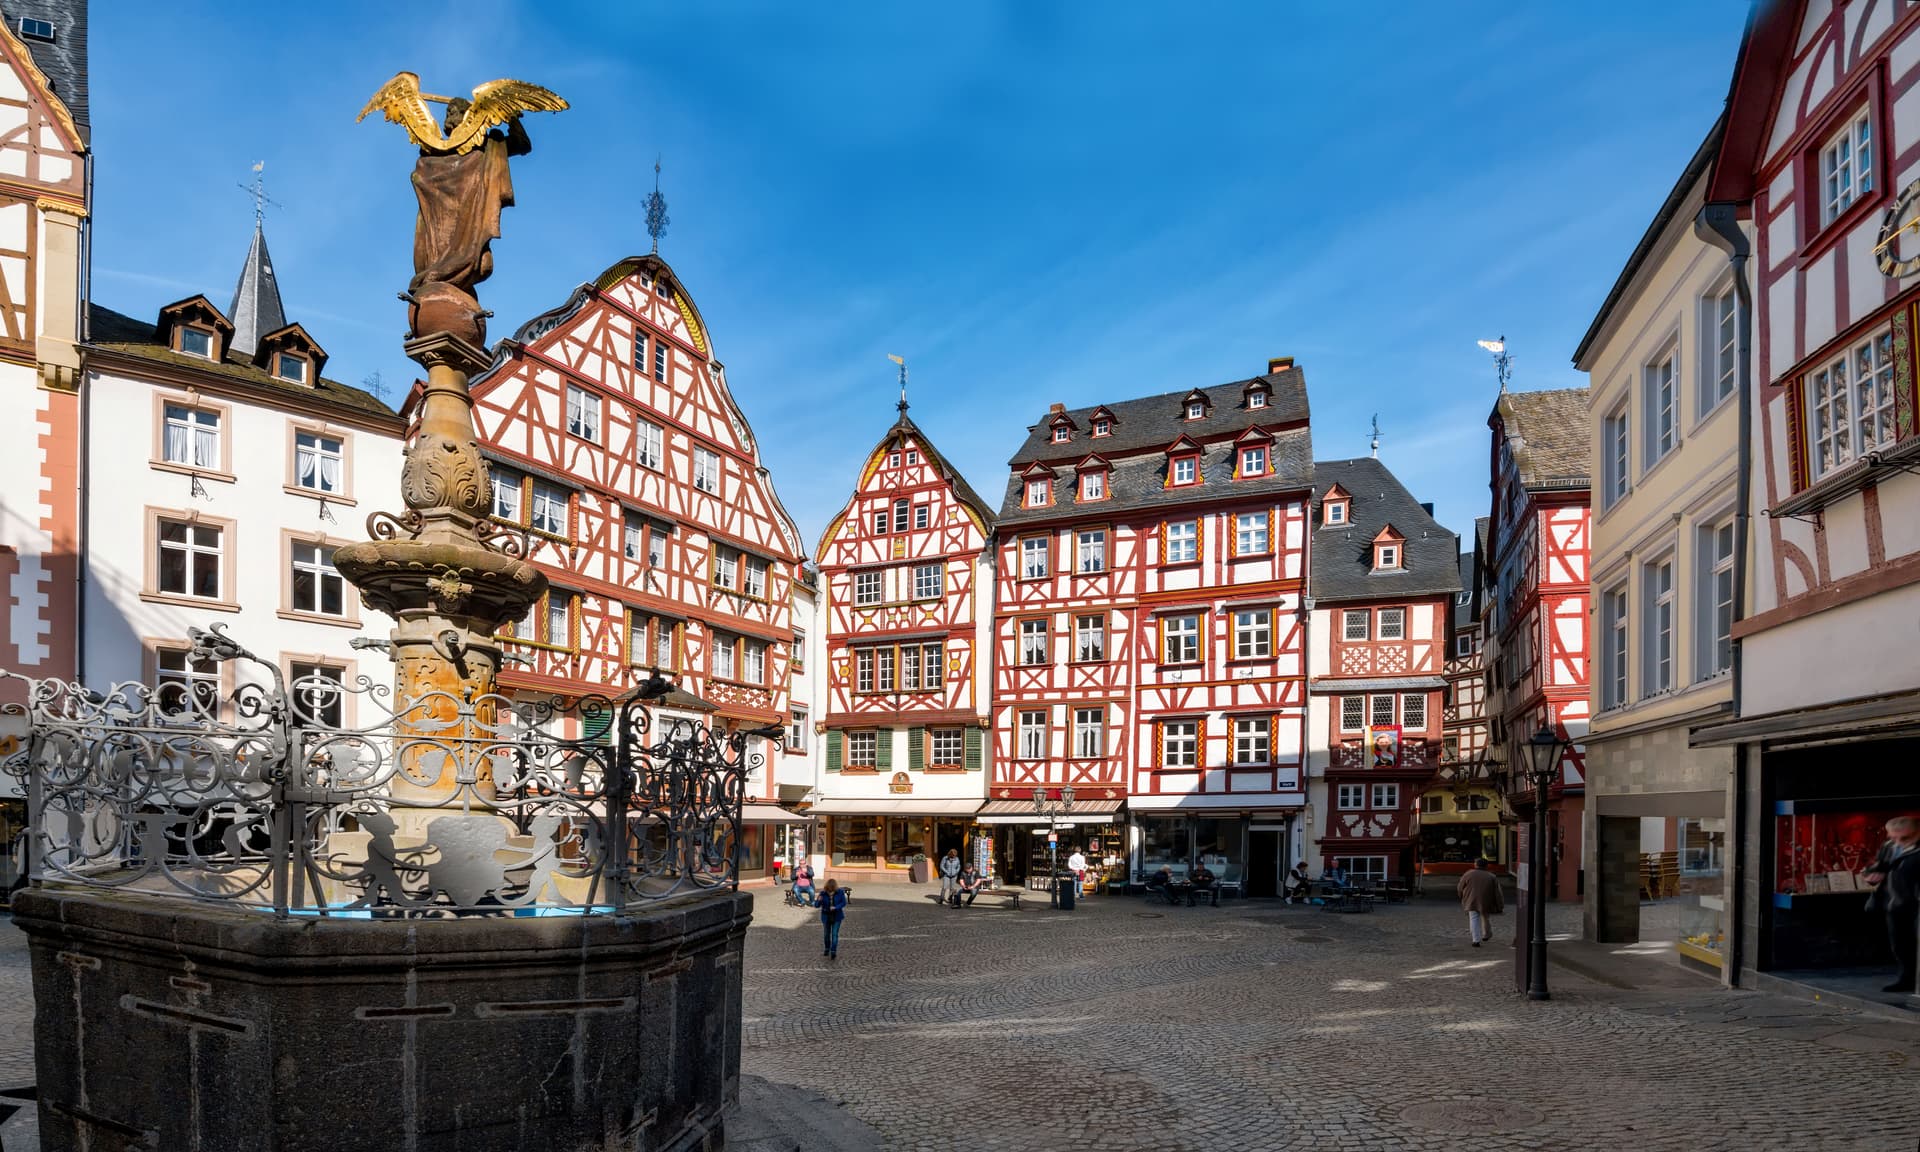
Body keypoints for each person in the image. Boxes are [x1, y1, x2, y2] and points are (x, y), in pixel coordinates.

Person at [1863, 816, 1920, 992]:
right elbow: (1879, 865)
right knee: (1900, 943)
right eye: (1893, 838)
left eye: (1905, 838)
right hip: (1894, 902)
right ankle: (1907, 978)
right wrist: (1872, 875)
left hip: (1914, 902)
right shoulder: (1889, 847)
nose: (1898, 842)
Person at [1457, 857, 1504, 947]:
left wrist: (1462, 897)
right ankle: (1487, 934)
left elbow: (1460, 887)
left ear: (1476, 864)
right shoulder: (1491, 876)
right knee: (1485, 917)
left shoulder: (1468, 874)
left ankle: (1476, 940)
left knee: (1473, 919)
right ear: (1487, 866)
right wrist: (1500, 905)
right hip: (1486, 900)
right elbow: (1498, 892)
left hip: (1471, 900)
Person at [818, 878, 849, 960]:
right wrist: (818, 900)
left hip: (837, 916)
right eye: (829, 890)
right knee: (826, 934)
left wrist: (836, 907)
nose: (830, 892)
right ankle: (827, 948)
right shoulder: (823, 893)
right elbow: (816, 905)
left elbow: (843, 903)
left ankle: (833, 951)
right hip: (826, 916)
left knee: (834, 934)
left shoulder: (840, 892)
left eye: (832, 890)